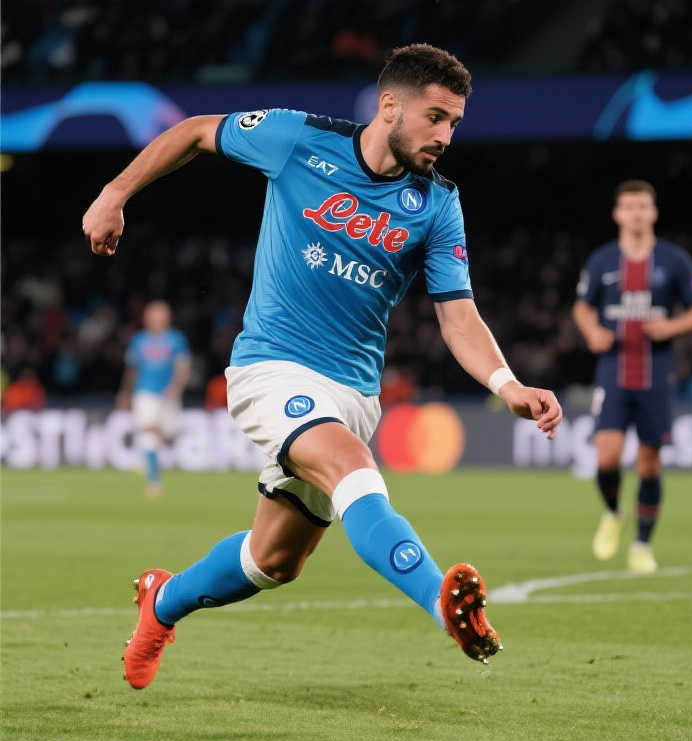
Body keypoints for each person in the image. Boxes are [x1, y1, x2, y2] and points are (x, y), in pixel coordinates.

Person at [82, 43, 562, 689]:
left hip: (353, 394)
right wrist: (115, 192)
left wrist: (508, 383)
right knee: (353, 468)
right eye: (435, 117)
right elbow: (195, 131)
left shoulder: (437, 204)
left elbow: (457, 315)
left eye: (454, 123)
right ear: (389, 105)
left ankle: (160, 602)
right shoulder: (297, 139)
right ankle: (442, 605)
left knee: (272, 561)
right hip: (271, 368)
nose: (446, 136)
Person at [572, 180, 692, 573]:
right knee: (607, 456)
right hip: (613, 371)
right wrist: (592, 332)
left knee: (649, 463)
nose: (636, 213)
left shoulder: (674, 260)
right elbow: (581, 308)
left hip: (655, 373)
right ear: (617, 214)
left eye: (642, 206)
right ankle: (614, 512)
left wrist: (671, 327)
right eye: (629, 206)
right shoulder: (602, 261)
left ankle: (642, 544)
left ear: (653, 213)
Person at [117, 300, 190, 497]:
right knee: (148, 430)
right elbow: (132, 369)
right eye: (154, 316)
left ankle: (146, 458)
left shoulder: (176, 340)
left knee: (167, 434)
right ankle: (154, 481)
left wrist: (176, 387)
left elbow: (183, 367)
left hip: (167, 395)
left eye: (161, 316)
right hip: (145, 393)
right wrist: (125, 392)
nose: (157, 320)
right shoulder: (139, 340)